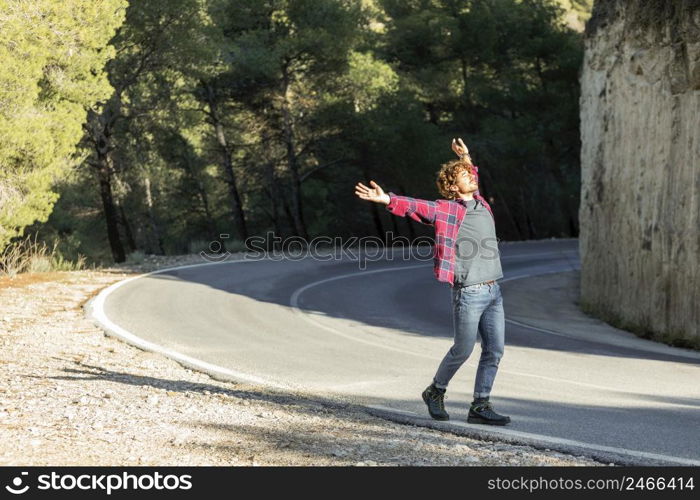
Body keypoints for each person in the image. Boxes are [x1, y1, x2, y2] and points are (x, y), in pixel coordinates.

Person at [354, 138, 510, 425]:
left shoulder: (482, 203)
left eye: (471, 174)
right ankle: (435, 391)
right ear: (452, 187)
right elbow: (417, 206)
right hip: (469, 292)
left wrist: (466, 157)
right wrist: (387, 199)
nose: (472, 177)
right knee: (462, 349)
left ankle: (480, 405)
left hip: (493, 291)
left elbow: (473, 174)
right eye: (465, 176)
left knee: (494, 350)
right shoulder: (447, 210)